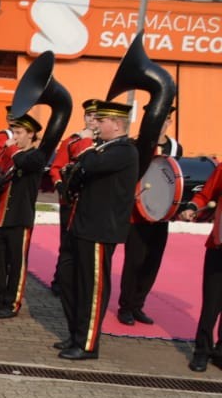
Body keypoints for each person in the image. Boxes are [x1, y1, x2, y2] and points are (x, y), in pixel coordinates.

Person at [54, 100, 139, 360]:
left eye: (101, 121)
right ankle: (76, 333)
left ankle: (87, 343)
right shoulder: (103, 148)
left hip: (99, 229)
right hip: (79, 225)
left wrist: (85, 141)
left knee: (92, 288)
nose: (95, 125)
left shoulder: (124, 150)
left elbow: (89, 165)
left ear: (116, 124)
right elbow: (77, 173)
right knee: (69, 281)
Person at [117, 112, 183, 325]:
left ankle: (138, 305)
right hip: (138, 214)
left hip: (162, 214)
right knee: (134, 261)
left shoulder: (175, 148)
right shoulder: (137, 145)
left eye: (164, 120)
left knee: (152, 262)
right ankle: (125, 307)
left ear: (169, 122)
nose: (160, 124)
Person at [0, 114, 49, 319]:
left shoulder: (36, 156)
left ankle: (12, 303)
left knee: (16, 263)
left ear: (31, 134)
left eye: (19, 133)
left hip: (19, 218)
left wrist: (10, 148)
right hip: (0, 216)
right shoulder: (12, 154)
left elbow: (24, 163)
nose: (15, 137)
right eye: (14, 132)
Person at [49, 98, 100, 294]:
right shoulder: (71, 141)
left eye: (96, 117)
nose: (92, 121)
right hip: (71, 200)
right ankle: (60, 282)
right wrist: (61, 186)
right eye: (89, 116)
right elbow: (56, 167)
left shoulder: (104, 144)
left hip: (92, 202)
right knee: (67, 243)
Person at [178, 162, 222, 371]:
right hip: (219, 246)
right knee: (212, 303)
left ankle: (220, 352)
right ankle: (202, 351)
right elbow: (205, 196)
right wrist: (193, 207)